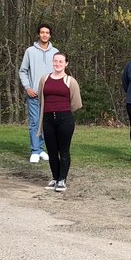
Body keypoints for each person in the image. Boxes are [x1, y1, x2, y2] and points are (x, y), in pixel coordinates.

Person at [38, 53, 83, 192]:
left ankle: (62, 179)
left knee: (63, 151)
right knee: (52, 151)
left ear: (66, 63)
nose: (57, 64)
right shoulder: (44, 79)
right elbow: (40, 97)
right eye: (55, 61)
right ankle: (55, 177)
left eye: (61, 61)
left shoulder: (70, 81)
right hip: (48, 119)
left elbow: (76, 103)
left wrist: (63, 111)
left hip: (65, 120)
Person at [19, 24, 59, 163]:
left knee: (47, 124)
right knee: (35, 122)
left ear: (50, 35)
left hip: (50, 95)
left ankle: (41, 149)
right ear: (38, 34)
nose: (44, 35)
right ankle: (35, 150)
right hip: (34, 94)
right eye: (42, 32)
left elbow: (59, 72)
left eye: (47, 32)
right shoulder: (30, 51)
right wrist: (27, 87)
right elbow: (22, 71)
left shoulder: (55, 52)